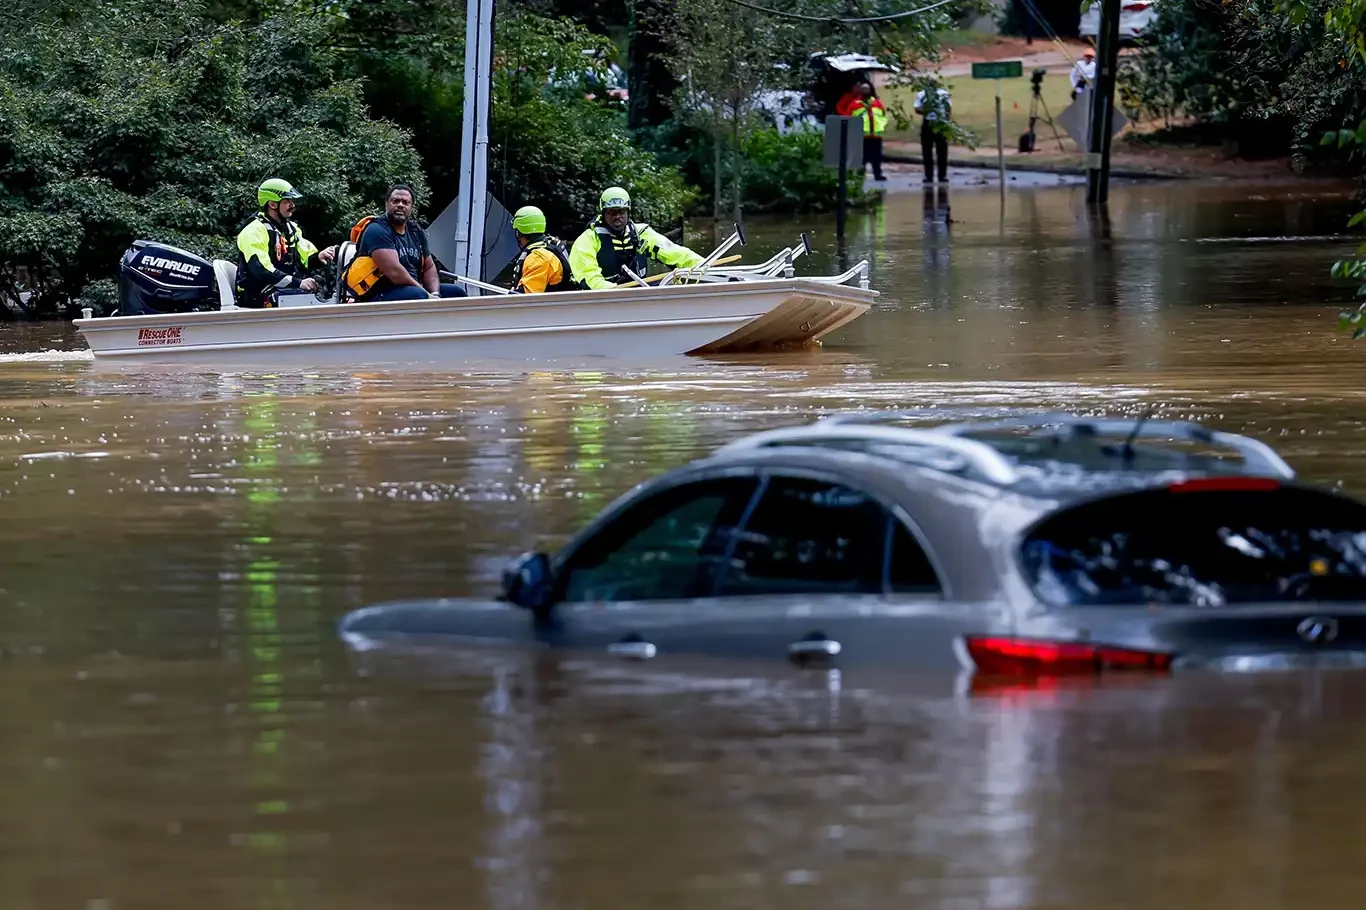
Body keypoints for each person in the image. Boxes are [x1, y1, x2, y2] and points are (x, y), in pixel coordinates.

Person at [346, 184, 467, 302]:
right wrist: (427, 296)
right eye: (395, 201)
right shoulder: (376, 230)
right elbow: (395, 272)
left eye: (405, 202)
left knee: (457, 293)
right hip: (379, 294)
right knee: (418, 295)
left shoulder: (416, 231)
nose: (400, 205)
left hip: (413, 290)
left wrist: (435, 294)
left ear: (411, 207)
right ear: (387, 204)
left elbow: (429, 267)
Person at [568, 187, 705, 290]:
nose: (617, 216)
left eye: (621, 211)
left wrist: (705, 266)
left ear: (628, 211)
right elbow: (589, 276)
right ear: (603, 213)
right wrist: (614, 292)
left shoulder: (640, 233)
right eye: (612, 212)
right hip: (604, 299)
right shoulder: (588, 240)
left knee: (672, 284)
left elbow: (677, 254)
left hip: (637, 293)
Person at [234, 178, 336, 309]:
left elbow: (304, 255)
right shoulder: (253, 231)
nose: (292, 205)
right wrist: (297, 283)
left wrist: (319, 257)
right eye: (287, 201)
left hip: (277, 290)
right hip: (257, 295)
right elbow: (262, 270)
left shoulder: (290, 228)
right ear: (272, 204)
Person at [510, 205, 580, 293]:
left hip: (551, 306)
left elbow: (525, 298)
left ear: (519, 233)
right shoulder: (550, 245)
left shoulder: (539, 258)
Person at [914, 79, 952, 185]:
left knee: (942, 151)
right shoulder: (921, 94)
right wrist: (928, 109)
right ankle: (928, 176)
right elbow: (917, 108)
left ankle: (942, 175)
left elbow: (948, 108)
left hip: (941, 123)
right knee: (927, 151)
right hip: (928, 123)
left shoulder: (944, 94)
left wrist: (947, 122)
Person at [848, 82, 888, 181]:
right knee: (862, 158)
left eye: (867, 89)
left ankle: (878, 175)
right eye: (864, 89)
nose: (866, 91)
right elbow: (849, 118)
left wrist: (881, 126)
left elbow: (883, 116)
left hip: (876, 135)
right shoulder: (855, 104)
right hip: (862, 136)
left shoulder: (876, 103)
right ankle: (859, 176)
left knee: (877, 158)